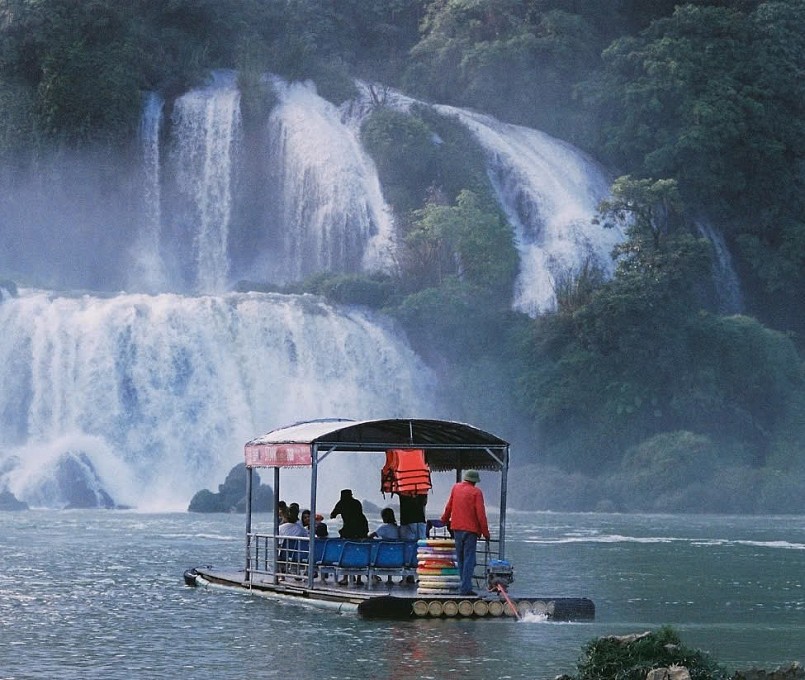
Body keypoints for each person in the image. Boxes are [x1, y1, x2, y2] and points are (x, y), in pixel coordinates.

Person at [440, 469, 490, 596]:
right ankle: (465, 588)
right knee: (469, 559)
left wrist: (444, 520)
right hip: (471, 530)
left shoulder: (456, 488)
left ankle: (464, 585)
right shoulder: (476, 492)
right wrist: (486, 532)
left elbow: (449, 506)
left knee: (461, 558)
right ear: (474, 481)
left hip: (456, 528)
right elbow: (481, 514)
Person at [330, 489, 369, 585]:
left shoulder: (341, 503)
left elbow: (332, 515)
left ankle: (345, 578)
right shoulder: (356, 503)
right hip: (362, 528)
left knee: (347, 553)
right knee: (359, 552)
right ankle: (359, 578)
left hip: (349, 529)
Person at [278, 506, 306, 575]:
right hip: (298, 553)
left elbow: (278, 541)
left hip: (284, 553)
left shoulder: (280, 528)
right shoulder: (300, 528)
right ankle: (295, 570)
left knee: (280, 551)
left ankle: (281, 574)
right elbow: (306, 538)